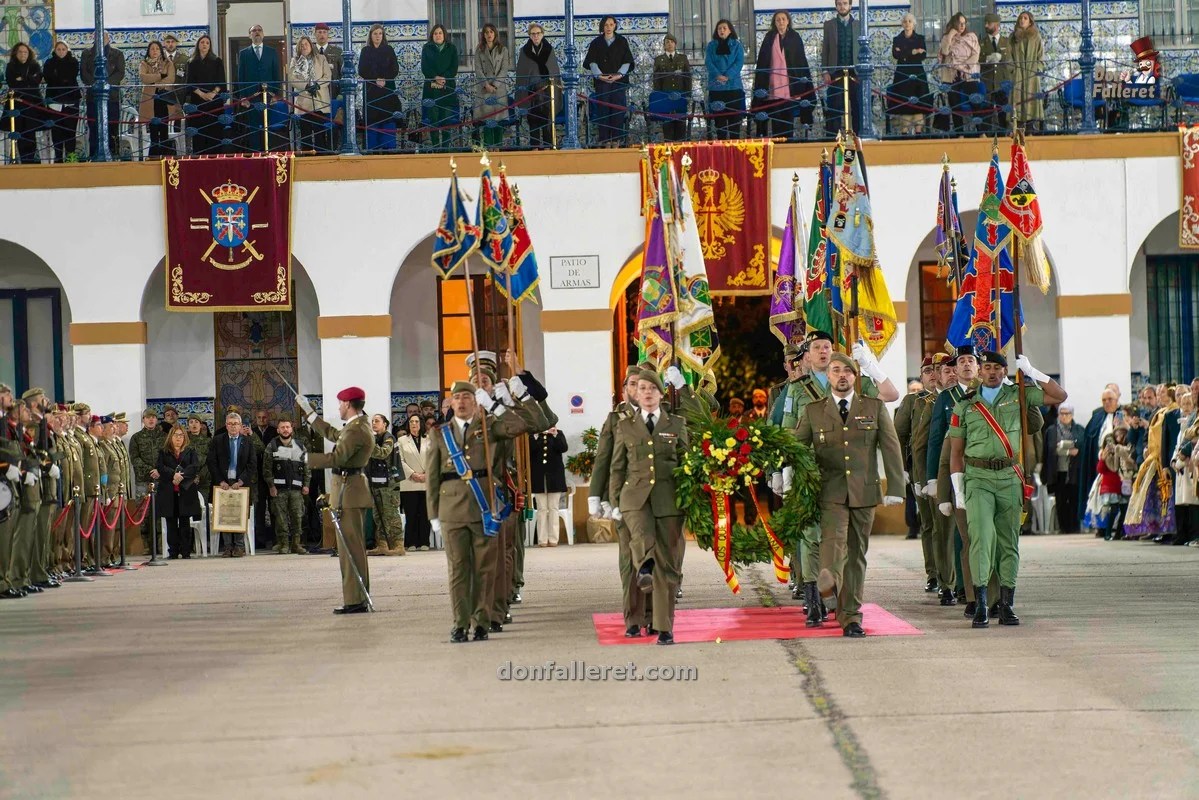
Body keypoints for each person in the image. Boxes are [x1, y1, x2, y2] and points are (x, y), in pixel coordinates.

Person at [949, 351, 1066, 627]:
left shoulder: (1019, 395)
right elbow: (956, 452)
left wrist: (1033, 371)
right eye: (986, 367)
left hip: (1010, 477)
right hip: (977, 478)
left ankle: (1006, 604)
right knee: (981, 538)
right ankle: (980, 605)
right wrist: (958, 490)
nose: (991, 372)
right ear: (980, 372)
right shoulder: (965, 406)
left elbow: (1059, 396)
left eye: (996, 368)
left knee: (1008, 541)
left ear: (1004, 371)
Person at [425, 379, 544, 642]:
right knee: (458, 569)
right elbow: (432, 477)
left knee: (484, 568)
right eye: (457, 398)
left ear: (476, 400)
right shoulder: (439, 433)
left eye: (468, 396)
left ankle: (481, 621)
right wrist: (433, 513)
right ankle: (459, 622)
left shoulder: (491, 428)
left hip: (484, 507)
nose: (462, 402)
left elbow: (523, 425)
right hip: (451, 509)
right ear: (451, 403)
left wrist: (497, 406)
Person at [795, 354, 905, 637]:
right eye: (835, 370)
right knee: (833, 542)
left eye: (847, 371)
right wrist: (782, 473)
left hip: (865, 492)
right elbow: (795, 448)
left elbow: (890, 448)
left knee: (856, 555)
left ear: (856, 377)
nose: (842, 375)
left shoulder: (873, 407)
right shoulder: (813, 411)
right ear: (827, 376)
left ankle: (851, 617)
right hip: (829, 492)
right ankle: (828, 580)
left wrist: (895, 487)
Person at [609, 369, 689, 645]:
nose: (646, 393)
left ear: (660, 393)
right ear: (635, 393)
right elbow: (617, 467)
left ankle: (664, 627)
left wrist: (690, 498)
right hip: (634, 499)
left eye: (651, 389)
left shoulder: (676, 424)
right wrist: (612, 500)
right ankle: (643, 566)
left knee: (667, 567)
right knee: (642, 537)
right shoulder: (625, 426)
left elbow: (686, 465)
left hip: (668, 500)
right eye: (641, 388)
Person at [296, 387, 374, 615]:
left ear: (348, 404)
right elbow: (331, 433)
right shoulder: (355, 427)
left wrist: (302, 457)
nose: (339, 407)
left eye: (340, 403)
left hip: (350, 493)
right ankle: (356, 597)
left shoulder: (357, 430)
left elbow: (337, 457)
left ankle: (356, 600)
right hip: (348, 491)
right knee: (350, 548)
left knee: (350, 549)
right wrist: (309, 413)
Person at [590, 366, 654, 634]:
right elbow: (605, 459)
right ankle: (632, 619)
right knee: (630, 561)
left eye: (643, 385)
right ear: (626, 389)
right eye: (633, 385)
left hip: (653, 498)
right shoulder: (616, 419)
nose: (638, 389)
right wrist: (598, 496)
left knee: (652, 559)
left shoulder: (659, 416)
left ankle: (651, 617)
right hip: (623, 500)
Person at [895, 357, 937, 589]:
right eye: (927, 371)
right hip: (919, 470)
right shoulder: (913, 401)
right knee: (929, 524)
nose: (932, 374)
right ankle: (933, 573)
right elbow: (898, 436)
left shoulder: (951, 397)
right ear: (921, 376)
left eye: (937, 370)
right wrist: (902, 468)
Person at [752, 10, 813, 140]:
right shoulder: (769, 37)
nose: (781, 22)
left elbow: (800, 61)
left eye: (783, 19)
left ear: (788, 21)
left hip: (790, 87)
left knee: (787, 118)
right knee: (776, 119)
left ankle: (788, 145)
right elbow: (763, 61)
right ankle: (776, 145)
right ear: (774, 22)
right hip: (773, 87)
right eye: (778, 19)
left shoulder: (794, 37)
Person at [206, 412, 254, 557]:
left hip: (240, 483)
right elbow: (211, 462)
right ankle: (227, 547)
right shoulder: (217, 440)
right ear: (226, 426)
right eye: (230, 424)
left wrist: (241, 481)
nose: (233, 426)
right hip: (223, 483)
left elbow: (252, 464)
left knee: (239, 514)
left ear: (240, 426)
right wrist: (220, 481)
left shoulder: (248, 442)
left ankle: (239, 547)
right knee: (225, 514)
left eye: (236, 424)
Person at [583, 15, 635, 147]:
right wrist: (600, 76)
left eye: (611, 24)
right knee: (603, 110)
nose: (608, 27)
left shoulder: (622, 41)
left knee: (617, 110)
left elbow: (627, 61)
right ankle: (605, 140)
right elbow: (592, 62)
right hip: (602, 83)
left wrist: (619, 75)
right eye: (606, 25)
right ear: (602, 26)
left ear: (615, 26)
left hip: (618, 82)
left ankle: (616, 140)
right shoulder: (596, 42)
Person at [263, 416, 311, 555]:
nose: (285, 430)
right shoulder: (272, 446)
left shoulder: (301, 446)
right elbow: (267, 469)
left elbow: (307, 467)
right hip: (279, 490)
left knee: (297, 517)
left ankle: (296, 544)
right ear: (278, 429)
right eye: (282, 427)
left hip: (297, 490)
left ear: (292, 428)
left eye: (287, 427)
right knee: (280, 519)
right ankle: (283, 544)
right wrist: (271, 486)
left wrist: (306, 485)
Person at [154, 424, 200, 560]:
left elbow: (194, 466)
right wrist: (173, 474)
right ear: (170, 437)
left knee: (185, 522)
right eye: (176, 435)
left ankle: (186, 551)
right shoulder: (164, 451)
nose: (178, 438)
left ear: (184, 437)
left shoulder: (190, 451)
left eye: (181, 435)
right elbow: (160, 467)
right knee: (171, 522)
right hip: (169, 490)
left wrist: (182, 475)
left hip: (185, 490)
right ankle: (173, 551)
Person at [236, 24, 283, 152]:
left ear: (263, 34)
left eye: (259, 30)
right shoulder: (243, 53)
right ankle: (256, 154)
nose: (257, 32)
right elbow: (241, 76)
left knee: (269, 127)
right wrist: (243, 97)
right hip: (251, 98)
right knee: (254, 129)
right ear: (249, 35)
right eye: (254, 31)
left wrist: (276, 94)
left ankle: (269, 153)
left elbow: (276, 74)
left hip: (269, 96)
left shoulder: (272, 52)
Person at [515, 23, 561, 150]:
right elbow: (522, 72)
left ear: (542, 34)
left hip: (548, 90)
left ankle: (548, 145)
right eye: (533, 34)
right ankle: (534, 146)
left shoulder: (549, 49)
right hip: (531, 91)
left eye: (538, 33)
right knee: (533, 118)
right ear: (529, 36)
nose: (536, 36)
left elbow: (554, 70)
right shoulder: (524, 51)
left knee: (548, 118)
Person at [366, 413, 404, 556]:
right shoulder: (375, 439)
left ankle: (398, 544)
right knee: (378, 515)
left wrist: (369, 443)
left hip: (389, 484)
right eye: (372, 421)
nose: (374, 423)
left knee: (391, 515)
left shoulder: (389, 438)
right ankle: (382, 544)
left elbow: (382, 453)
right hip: (376, 483)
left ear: (385, 424)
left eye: (377, 421)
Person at [1043, 403, 1085, 533]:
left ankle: (1075, 526)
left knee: (1074, 499)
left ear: (1072, 415)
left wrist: (1075, 450)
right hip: (1058, 471)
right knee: (1061, 500)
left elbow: (1082, 446)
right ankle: (1063, 527)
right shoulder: (1051, 430)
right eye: (1062, 413)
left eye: (1067, 414)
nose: (1065, 416)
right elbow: (1049, 450)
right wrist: (1066, 451)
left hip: (1074, 471)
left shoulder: (1079, 429)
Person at [81, 33, 124, 160]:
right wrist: (96, 85)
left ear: (108, 39)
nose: (101, 39)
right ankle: (93, 155)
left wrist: (105, 85)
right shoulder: (86, 54)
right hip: (93, 97)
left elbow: (120, 73)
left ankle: (114, 154)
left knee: (112, 127)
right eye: (98, 37)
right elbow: (84, 73)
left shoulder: (117, 54)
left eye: (104, 37)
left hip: (112, 97)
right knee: (94, 127)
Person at [358, 24, 401, 152]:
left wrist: (384, 79)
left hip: (387, 91)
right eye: (375, 34)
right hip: (372, 91)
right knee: (372, 122)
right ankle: (373, 151)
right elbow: (362, 70)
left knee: (388, 120)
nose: (378, 36)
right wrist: (375, 79)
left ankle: (388, 151)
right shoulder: (365, 51)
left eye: (380, 34)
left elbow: (395, 69)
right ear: (371, 36)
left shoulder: (389, 50)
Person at [287, 35, 333, 153]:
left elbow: (327, 76)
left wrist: (317, 85)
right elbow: (292, 79)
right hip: (303, 103)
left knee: (320, 133)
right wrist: (306, 86)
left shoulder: (321, 58)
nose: (304, 47)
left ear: (311, 46)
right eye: (301, 45)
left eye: (306, 44)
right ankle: (307, 158)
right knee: (305, 134)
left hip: (320, 101)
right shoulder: (295, 60)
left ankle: (322, 157)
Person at [822, 0, 861, 135]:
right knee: (835, 106)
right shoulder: (829, 25)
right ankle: (834, 137)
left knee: (857, 105)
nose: (842, 6)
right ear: (836, 6)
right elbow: (825, 49)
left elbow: (864, 49)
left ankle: (858, 137)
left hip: (855, 73)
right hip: (835, 72)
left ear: (850, 5)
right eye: (839, 3)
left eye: (845, 3)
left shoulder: (859, 25)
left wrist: (863, 71)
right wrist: (825, 71)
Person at [129, 409, 164, 554]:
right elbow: (135, 459)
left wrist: (159, 470)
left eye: (154, 417)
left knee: (160, 513)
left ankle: (161, 545)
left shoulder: (164, 437)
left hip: (161, 480)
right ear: (143, 420)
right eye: (148, 417)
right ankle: (147, 546)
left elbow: (168, 456)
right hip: (143, 481)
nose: (151, 420)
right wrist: (150, 470)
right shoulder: (136, 438)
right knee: (144, 513)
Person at [888, 13, 929, 135]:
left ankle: (918, 132)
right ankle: (904, 133)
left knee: (918, 103)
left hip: (917, 75)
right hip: (902, 75)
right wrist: (913, 51)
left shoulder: (920, 38)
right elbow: (896, 55)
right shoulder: (897, 39)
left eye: (910, 21)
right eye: (905, 21)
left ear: (914, 24)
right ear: (902, 24)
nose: (907, 23)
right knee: (903, 103)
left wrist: (904, 53)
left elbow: (923, 55)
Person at [939, 13, 980, 133]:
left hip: (968, 73)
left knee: (975, 101)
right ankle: (959, 133)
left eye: (964, 23)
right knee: (954, 103)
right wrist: (950, 35)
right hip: (952, 75)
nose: (962, 25)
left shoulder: (971, 36)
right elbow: (945, 52)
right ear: (954, 24)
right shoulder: (947, 38)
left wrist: (963, 66)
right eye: (959, 23)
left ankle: (981, 131)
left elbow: (976, 54)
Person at [185, 35, 226, 155]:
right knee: (199, 134)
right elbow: (189, 83)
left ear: (210, 45)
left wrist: (212, 94)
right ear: (198, 45)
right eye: (202, 42)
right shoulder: (191, 62)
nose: (204, 45)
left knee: (214, 132)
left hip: (214, 102)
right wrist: (202, 94)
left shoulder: (217, 61)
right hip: (198, 102)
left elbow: (221, 82)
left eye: (207, 43)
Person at [705, 20, 744, 140]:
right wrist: (717, 75)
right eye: (719, 28)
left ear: (730, 30)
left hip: (733, 87)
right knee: (719, 123)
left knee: (735, 122)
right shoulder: (711, 46)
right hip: (716, 88)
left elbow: (739, 62)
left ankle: (735, 151)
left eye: (724, 28)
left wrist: (728, 76)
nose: (721, 30)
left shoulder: (737, 45)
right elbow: (708, 62)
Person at [42, 41, 81, 163]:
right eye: (58, 49)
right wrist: (60, 79)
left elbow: (70, 77)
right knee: (57, 132)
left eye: (63, 49)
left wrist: (58, 77)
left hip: (71, 101)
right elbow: (49, 78)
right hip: (54, 101)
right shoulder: (49, 62)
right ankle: (58, 158)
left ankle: (71, 157)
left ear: (67, 50)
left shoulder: (73, 62)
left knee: (70, 131)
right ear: (55, 50)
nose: (61, 51)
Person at [397, 413, 431, 551]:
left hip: (426, 481)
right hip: (409, 482)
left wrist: (427, 474)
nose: (414, 424)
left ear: (421, 424)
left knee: (425, 514)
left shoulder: (429, 439)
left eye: (416, 421)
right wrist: (413, 474)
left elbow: (435, 458)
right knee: (411, 514)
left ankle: (424, 542)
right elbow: (400, 460)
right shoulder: (402, 440)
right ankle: (410, 542)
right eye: (411, 421)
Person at [422, 24, 458, 151]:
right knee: (434, 120)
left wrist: (443, 78)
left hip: (447, 89)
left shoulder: (451, 48)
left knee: (447, 120)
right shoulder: (427, 48)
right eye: (435, 33)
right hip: (431, 90)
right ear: (432, 35)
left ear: (444, 35)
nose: (438, 35)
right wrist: (435, 77)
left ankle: (446, 149)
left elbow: (454, 68)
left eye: (440, 33)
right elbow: (424, 67)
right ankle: (436, 149)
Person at [473, 24, 510, 149]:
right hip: (484, 90)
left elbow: (504, 69)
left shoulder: (503, 50)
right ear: (483, 35)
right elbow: (478, 69)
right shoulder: (479, 50)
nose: (489, 34)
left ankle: (498, 147)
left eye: (491, 32)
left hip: (498, 89)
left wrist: (495, 84)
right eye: (486, 32)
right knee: (487, 120)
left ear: (495, 34)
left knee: (498, 120)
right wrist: (486, 84)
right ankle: (489, 148)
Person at [5, 43, 43, 164]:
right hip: (16, 104)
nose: (23, 54)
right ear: (16, 54)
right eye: (20, 52)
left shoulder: (35, 65)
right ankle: (20, 160)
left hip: (32, 103)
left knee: (30, 132)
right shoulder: (11, 66)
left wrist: (22, 79)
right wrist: (28, 80)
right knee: (18, 132)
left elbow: (37, 81)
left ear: (29, 53)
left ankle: (30, 160)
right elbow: (12, 83)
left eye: (25, 52)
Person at [531, 426, 568, 546]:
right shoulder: (533, 435)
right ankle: (542, 540)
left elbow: (563, 448)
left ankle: (553, 539)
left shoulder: (559, 434)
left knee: (553, 508)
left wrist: (556, 434)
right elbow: (530, 451)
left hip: (554, 477)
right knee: (541, 509)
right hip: (538, 477)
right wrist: (536, 437)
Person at [139, 40, 175, 159]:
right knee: (153, 131)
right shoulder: (144, 63)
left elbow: (170, 78)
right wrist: (160, 76)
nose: (155, 51)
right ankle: (153, 157)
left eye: (157, 49)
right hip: (150, 101)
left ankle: (165, 157)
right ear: (149, 51)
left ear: (161, 50)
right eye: (152, 49)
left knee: (164, 130)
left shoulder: (168, 63)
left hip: (164, 100)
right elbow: (144, 77)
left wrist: (155, 83)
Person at [652, 34, 691, 142]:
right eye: (667, 42)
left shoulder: (683, 58)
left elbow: (687, 77)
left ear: (675, 44)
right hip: (665, 96)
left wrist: (688, 95)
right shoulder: (659, 60)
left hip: (681, 96)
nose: (669, 44)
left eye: (672, 42)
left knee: (681, 125)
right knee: (667, 127)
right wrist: (659, 97)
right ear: (664, 45)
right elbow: (656, 80)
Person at [1010, 12, 1044, 131]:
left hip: (1032, 72)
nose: (1022, 20)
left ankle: (1031, 126)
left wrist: (1038, 69)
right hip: (1018, 72)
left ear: (1030, 21)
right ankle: (1018, 125)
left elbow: (1041, 55)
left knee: (1031, 98)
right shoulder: (1013, 37)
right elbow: (1009, 56)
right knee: (1018, 98)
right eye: (1020, 18)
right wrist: (1013, 69)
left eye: (1025, 18)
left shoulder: (1036, 36)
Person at [979, 13, 1012, 134]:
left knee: (1003, 110)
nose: (986, 25)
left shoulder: (1006, 41)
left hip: (1002, 81)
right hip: (987, 81)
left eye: (989, 23)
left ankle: (1003, 134)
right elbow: (977, 59)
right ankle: (985, 136)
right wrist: (987, 59)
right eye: (985, 23)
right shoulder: (981, 42)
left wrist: (1001, 56)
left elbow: (1010, 59)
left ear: (997, 25)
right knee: (986, 110)